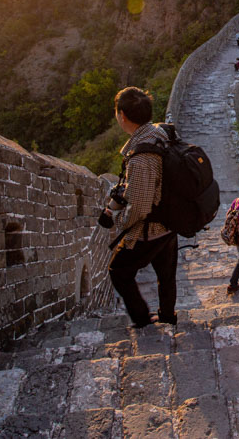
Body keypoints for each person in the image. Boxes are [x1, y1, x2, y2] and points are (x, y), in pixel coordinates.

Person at [101, 87, 178, 328]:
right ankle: (167, 317)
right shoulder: (159, 133)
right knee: (166, 275)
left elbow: (139, 208)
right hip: (171, 219)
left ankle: (143, 321)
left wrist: (119, 221)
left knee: (118, 271)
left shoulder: (142, 156)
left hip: (153, 228)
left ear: (122, 115)